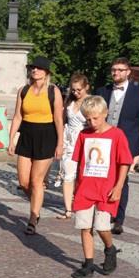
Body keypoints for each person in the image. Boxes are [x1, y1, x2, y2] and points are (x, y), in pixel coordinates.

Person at [96, 57, 139, 235]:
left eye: (120, 70)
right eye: (113, 70)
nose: (116, 73)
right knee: (103, 178)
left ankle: (118, 218)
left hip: (126, 143)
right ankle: (105, 211)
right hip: (103, 142)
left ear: (128, 72)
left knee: (122, 181)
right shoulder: (103, 91)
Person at [70, 96, 131, 278]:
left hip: (106, 189)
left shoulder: (117, 134)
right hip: (85, 188)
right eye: (88, 119)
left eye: (95, 118)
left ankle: (110, 249)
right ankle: (88, 263)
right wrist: (75, 185)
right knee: (85, 225)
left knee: (101, 226)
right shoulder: (84, 134)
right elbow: (80, 160)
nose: (92, 122)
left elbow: (124, 163)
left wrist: (119, 186)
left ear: (105, 113)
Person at [8, 56, 64, 235]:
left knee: (36, 181)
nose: (35, 70)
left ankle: (33, 218)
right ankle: (36, 203)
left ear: (46, 72)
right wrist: (11, 140)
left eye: (39, 68)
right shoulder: (23, 90)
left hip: (46, 136)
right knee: (24, 182)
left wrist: (60, 143)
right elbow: (17, 116)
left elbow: (58, 119)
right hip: (26, 136)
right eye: (33, 68)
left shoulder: (53, 91)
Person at [57, 73, 90, 220]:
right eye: (74, 90)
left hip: (86, 142)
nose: (76, 93)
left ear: (86, 87)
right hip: (69, 142)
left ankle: (80, 203)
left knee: (83, 176)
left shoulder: (91, 102)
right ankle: (68, 210)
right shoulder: (69, 102)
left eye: (79, 90)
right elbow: (63, 121)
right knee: (67, 176)